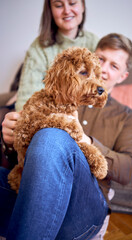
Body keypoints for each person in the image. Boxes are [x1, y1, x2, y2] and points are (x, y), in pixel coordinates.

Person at [0, 32, 132, 239]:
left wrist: (84, 140)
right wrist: (10, 139)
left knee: (52, 137)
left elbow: (130, 170)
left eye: (114, 66)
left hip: (84, 205)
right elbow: (22, 152)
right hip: (32, 187)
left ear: (123, 76)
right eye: (100, 59)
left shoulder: (125, 117)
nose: (102, 69)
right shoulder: (58, 94)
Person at [0, 0, 99, 167]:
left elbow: (101, 82)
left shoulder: (94, 43)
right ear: (50, 11)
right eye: (58, 5)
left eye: (73, 3)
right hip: (44, 107)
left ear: (82, 6)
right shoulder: (39, 46)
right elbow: (27, 98)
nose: (67, 10)